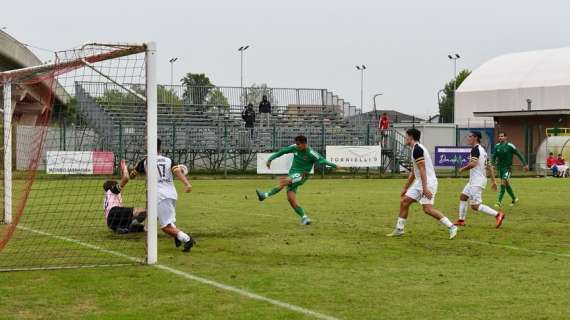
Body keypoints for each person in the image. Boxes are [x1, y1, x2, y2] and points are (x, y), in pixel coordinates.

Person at [387, 128, 458, 239]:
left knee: (427, 209)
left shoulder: (418, 150)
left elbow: (422, 170)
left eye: (406, 136)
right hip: (420, 182)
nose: (405, 138)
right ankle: (399, 229)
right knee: (404, 202)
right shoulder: (415, 149)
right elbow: (414, 172)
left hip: (428, 182)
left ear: (410, 137)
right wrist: (405, 187)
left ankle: (452, 227)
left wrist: (425, 188)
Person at [255, 135, 337, 225]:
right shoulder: (295, 148)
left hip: (302, 175)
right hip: (293, 174)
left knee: (284, 181)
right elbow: (282, 151)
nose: (297, 146)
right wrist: (270, 159)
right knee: (291, 199)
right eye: (296, 144)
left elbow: (322, 160)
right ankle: (304, 218)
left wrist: (334, 165)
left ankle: (264, 195)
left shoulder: (311, 153)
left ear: (304, 144)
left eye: (298, 144)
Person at [131, 139, 196, 252]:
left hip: (159, 195)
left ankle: (187, 239)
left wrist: (128, 172)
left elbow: (132, 175)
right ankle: (177, 236)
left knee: (165, 226)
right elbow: (177, 171)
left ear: (148, 147)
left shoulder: (145, 161)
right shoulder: (168, 160)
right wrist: (187, 184)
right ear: (161, 147)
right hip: (171, 193)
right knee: (160, 218)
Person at [454, 131, 505, 228]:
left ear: (475, 138)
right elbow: (489, 166)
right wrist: (493, 181)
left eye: (470, 136)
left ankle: (498, 215)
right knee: (463, 197)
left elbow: (473, 164)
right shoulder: (483, 150)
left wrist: (462, 169)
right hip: (475, 181)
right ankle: (461, 220)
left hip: (477, 181)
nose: (468, 138)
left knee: (475, 206)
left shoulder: (476, 149)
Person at [103, 159, 147, 234]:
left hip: (110, 223)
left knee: (141, 228)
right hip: (114, 212)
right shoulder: (112, 190)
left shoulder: (107, 196)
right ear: (112, 186)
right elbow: (126, 178)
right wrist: (124, 167)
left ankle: (123, 228)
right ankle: (130, 225)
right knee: (144, 212)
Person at [492, 132, 528, 207]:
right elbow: (494, 156)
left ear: (506, 137)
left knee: (502, 184)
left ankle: (499, 202)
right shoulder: (497, 146)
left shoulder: (510, 146)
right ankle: (514, 198)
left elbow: (519, 154)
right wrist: (493, 164)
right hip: (500, 169)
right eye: (499, 136)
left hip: (507, 169)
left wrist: (525, 164)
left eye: (502, 136)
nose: (500, 138)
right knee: (506, 184)